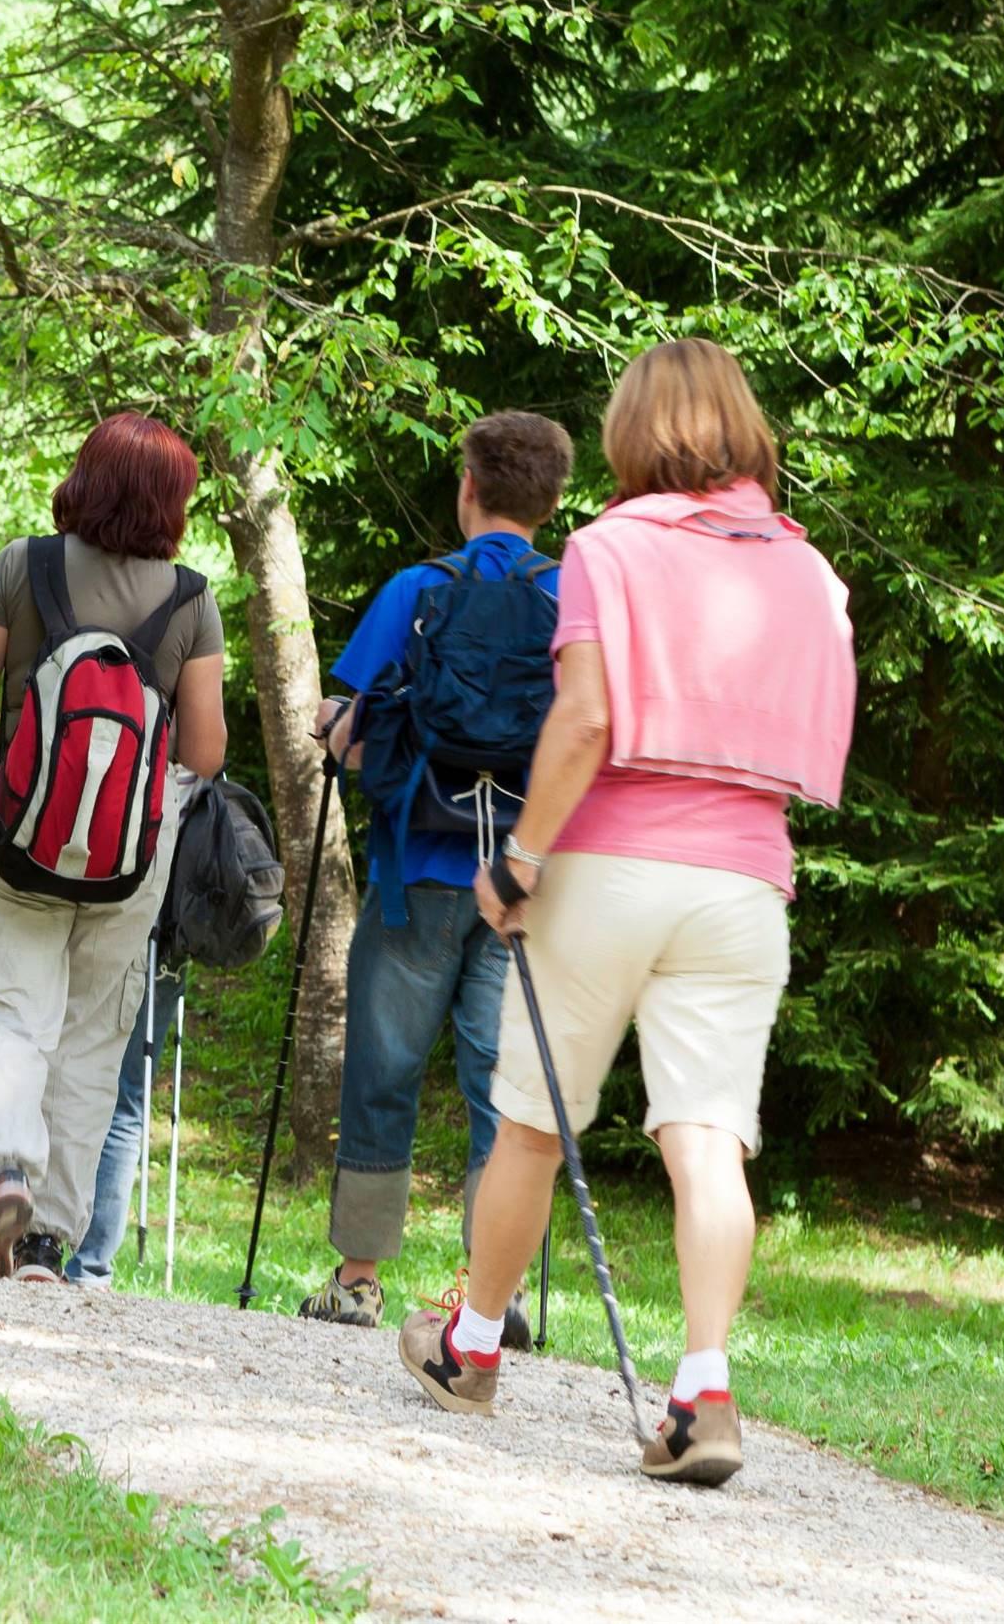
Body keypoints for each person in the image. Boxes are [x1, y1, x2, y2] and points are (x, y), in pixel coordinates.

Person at [397, 340, 856, 1489]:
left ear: (630, 433)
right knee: (707, 1138)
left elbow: (588, 718)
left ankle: (472, 1344)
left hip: (609, 865)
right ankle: (703, 1391)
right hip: (747, 876)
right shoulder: (808, 569)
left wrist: (519, 857)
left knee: (532, 1124)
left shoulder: (608, 549)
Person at [295, 411, 575, 1337]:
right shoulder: (573, 601)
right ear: (553, 499)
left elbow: (357, 730)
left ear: (468, 490)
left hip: (417, 866)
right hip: (524, 884)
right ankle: (495, 1293)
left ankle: (361, 1276)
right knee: (506, 1085)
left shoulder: (420, 589)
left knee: (386, 1064)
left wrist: (337, 726)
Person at [0, 412, 228, 1281]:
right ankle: (45, 1241)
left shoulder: (21, 566)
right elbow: (204, 753)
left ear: (84, 478)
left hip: (21, 839)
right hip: (128, 858)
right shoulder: (192, 598)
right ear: (171, 503)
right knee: (93, 1039)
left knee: (13, 1013)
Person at [63, 952, 185, 1288]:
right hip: (167, 945)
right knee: (126, 1104)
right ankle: (89, 1267)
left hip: (104, 923)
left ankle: (30, 1246)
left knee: (61, 1074)